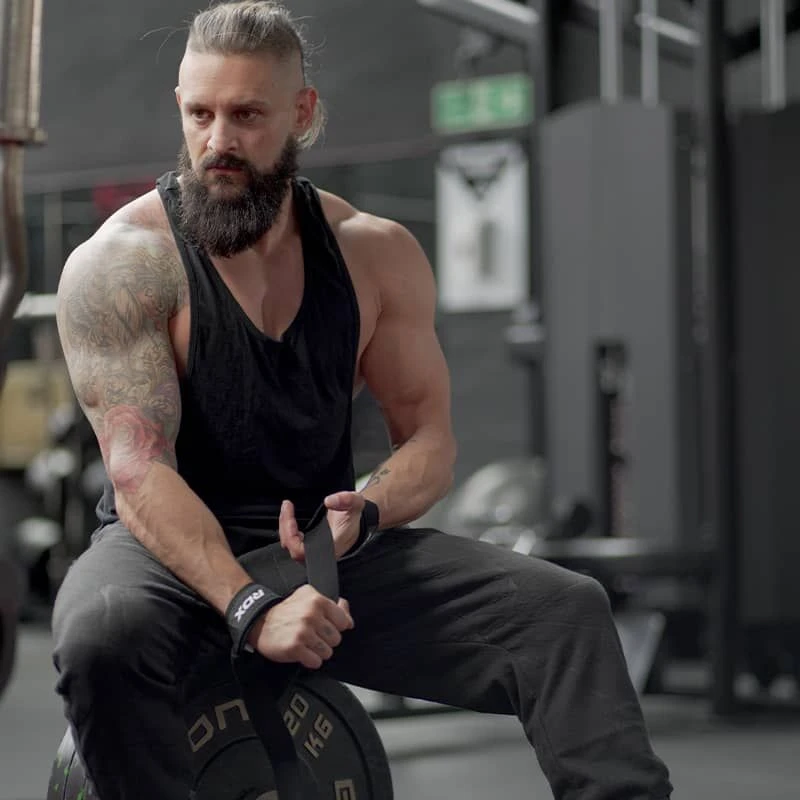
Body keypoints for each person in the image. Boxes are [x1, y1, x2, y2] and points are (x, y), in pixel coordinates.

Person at [51, 2, 673, 798]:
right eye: (200, 114)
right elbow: (138, 471)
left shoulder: (373, 255)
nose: (218, 142)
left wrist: (365, 511)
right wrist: (250, 606)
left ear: (302, 113)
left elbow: (430, 441)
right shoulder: (124, 263)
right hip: (164, 553)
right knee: (102, 633)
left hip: (320, 545)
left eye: (247, 115)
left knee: (563, 612)